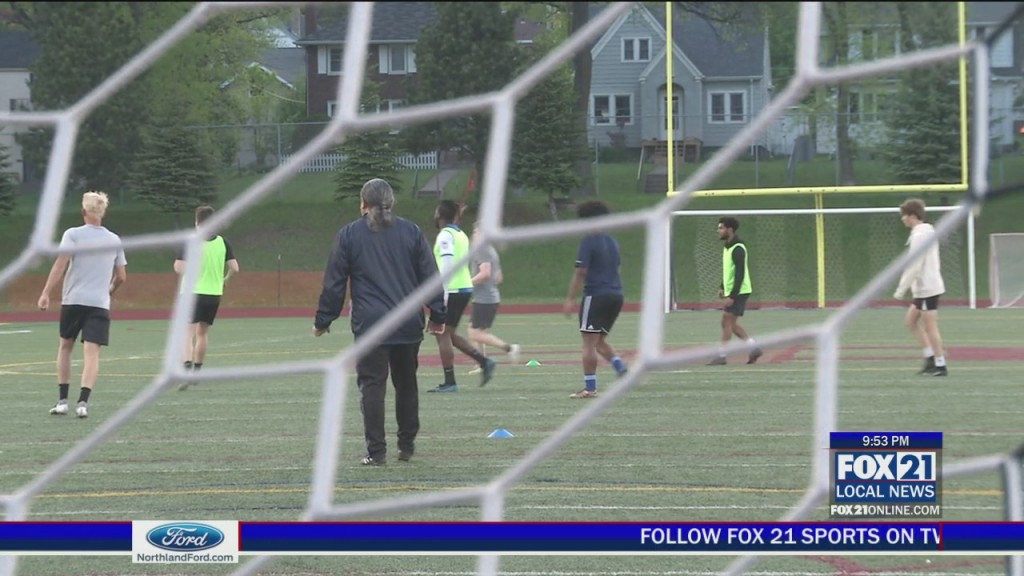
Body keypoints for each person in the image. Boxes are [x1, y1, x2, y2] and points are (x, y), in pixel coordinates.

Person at [313, 178, 446, 466]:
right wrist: (437, 314)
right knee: (406, 384)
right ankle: (407, 444)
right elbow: (430, 277)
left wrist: (324, 319)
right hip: (408, 323)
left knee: (372, 386)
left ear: (362, 204)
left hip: (371, 325)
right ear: (391, 203)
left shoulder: (349, 235)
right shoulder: (411, 232)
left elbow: (335, 283)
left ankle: (376, 452)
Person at [37, 191, 128, 419]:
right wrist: (110, 291)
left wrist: (46, 292)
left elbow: (60, 264)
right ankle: (83, 403)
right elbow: (122, 276)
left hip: (74, 300)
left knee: (65, 347)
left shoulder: (73, 235)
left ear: (84, 211)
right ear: (103, 212)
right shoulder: (114, 239)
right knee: (92, 353)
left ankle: (62, 401)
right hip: (99, 303)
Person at [427, 200, 497, 392]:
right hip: (464, 287)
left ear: (440, 215)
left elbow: (447, 266)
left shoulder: (445, 236)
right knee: (449, 333)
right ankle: (484, 361)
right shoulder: (460, 234)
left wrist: (443, 296)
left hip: (452, 289)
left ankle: (450, 382)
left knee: (441, 334)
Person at [562, 200, 628, 399]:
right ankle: (621, 369)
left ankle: (590, 388)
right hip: (616, 294)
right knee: (599, 341)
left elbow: (581, 271)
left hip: (596, 294)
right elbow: (618, 268)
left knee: (589, 344)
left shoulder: (588, 241)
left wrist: (570, 299)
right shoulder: (612, 241)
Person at [174, 205, 240, 391]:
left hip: (192, 293)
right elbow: (235, 267)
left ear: (197, 222)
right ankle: (197, 371)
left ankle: (186, 369)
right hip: (214, 294)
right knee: (202, 333)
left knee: (186, 332)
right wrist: (225, 281)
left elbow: (179, 267)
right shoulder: (223, 242)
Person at [893, 198, 948, 377]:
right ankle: (930, 357)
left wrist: (901, 289)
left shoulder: (920, 235)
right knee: (910, 322)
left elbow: (914, 265)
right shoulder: (923, 232)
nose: (903, 219)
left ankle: (940, 365)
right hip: (924, 288)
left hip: (927, 288)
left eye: (904, 215)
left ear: (912, 216)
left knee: (930, 327)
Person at [465, 220, 520, 374]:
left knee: (475, 333)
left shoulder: (482, 249)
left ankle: (509, 349)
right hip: (487, 297)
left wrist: (468, 282)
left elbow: (486, 274)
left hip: (486, 299)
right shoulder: (489, 249)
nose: (473, 234)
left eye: (476, 231)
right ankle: (481, 363)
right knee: (474, 330)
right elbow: (499, 277)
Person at [708, 217, 763, 366]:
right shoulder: (728, 246)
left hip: (740, 291)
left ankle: (721, 355)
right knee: (729, 323)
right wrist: (722, 286)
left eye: (721, 228)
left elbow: (740, 273)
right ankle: (753, 347)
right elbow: (729, 271)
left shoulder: (738, 248)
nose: (718, 231)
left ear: (730, 230)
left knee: (726, 320)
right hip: (734, 289)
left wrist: (732, 295)